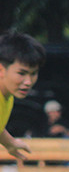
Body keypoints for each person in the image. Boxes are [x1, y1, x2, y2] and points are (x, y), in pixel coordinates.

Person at [0, 31, 44, 159]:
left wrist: (10, 143)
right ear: (1, 70)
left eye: (33, 73)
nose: (28, 82)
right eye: (21, 73)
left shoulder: (8, 96)